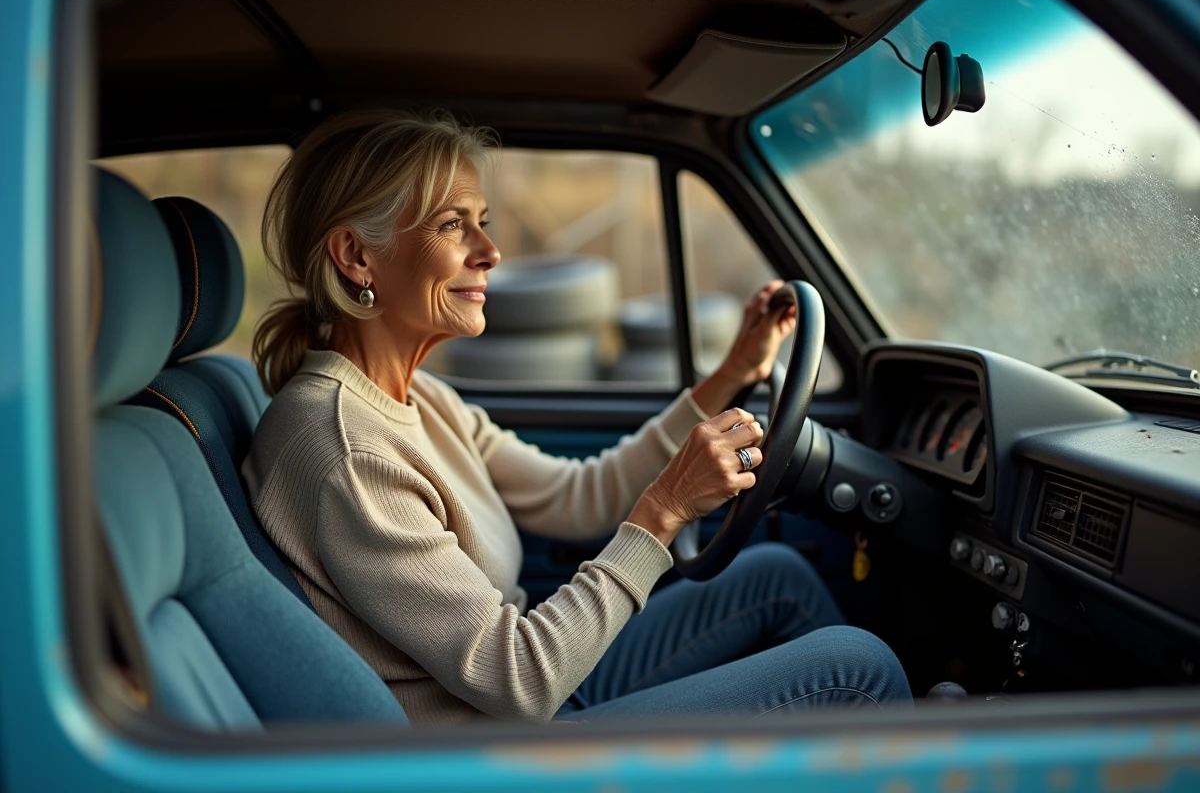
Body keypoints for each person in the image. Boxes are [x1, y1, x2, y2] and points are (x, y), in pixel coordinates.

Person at [242, 110, 912, 728]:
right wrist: (665, 509)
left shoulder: (420, 398)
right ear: (357, 256)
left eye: (482, 220)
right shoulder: (347, 450)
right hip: (499, 753)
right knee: (857, 669)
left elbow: (576, 496)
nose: (490, 251)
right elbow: (520, 682)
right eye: (453, 225)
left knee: (779, 578)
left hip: (539, 694)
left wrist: (733, 370)